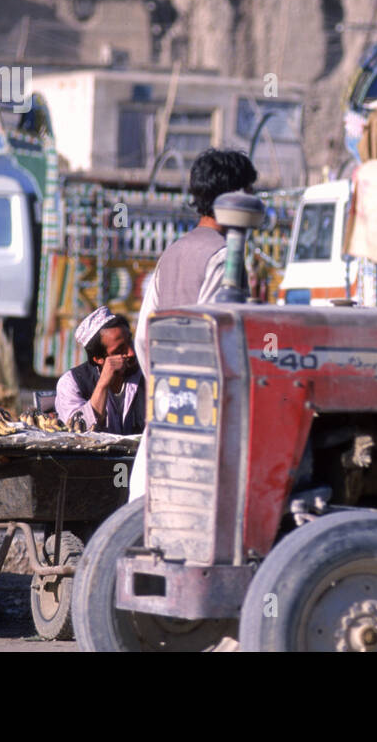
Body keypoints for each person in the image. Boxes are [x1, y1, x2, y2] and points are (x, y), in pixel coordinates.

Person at [129, 148, 258, 496]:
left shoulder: (172, 252)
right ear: (235, 198)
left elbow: (143, 337)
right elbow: (213, 339)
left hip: (164, 408)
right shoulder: (222, 258)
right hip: (202, 419)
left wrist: (165, 382)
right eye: (250, 191)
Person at [55, 306, 144, 435]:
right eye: (119, 350)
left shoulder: (146, 374)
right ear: (98, 359)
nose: (131, 353)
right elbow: (78, 432)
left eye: (130, 342)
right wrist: (102, 385)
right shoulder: (71, 383)